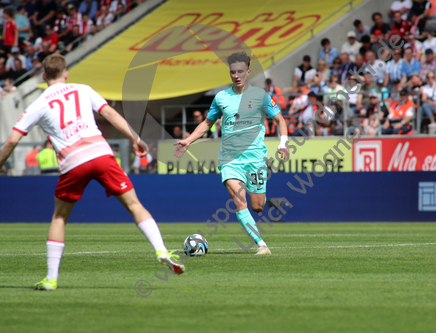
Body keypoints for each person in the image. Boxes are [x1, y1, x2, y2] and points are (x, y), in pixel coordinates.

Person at [0, 54, 184, 290]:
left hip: (73, 162)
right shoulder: (82, 89)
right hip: (101, 154)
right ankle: (160, 249)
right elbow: (109, 113)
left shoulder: (38, 103)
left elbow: (12, 141)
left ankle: (51, 278)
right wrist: (135, 138)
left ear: (44, 76)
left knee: (59, 217)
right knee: (134, 205)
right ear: (66, 73)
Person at [174, 51, 289, 255]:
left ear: (248, 72)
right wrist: (189, 141)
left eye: (240, 71)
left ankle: (270, 201)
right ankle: (261, 244)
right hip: (230, 160)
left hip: (255, 159)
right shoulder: (221, 98)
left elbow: (280, 119)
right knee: (239, 201)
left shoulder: (260, 96)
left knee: (258, 206)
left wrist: (283, 143)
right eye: (233, 72)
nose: (236, 75)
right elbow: (207, 123)